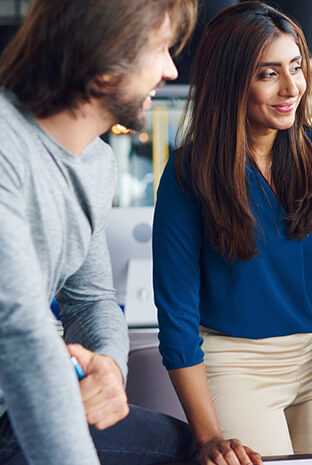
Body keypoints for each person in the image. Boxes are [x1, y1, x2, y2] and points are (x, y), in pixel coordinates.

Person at [152, 3, 312, 464]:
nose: (291, 87)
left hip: (311, 361)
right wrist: (209, 435)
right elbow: (176, 316)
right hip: (232, 365)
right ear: (232, 80)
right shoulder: (188, 172)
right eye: (267, 74)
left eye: (295, 67)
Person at [0, 0, 197, 464]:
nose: (170, 69)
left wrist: (108, 364)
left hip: (28, 394)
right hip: (16, 394)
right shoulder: (6, 145)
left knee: (192, 448)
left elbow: (90, 298)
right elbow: (20, 331)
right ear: (105, 62)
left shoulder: (95, 162)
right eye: (161, 49)